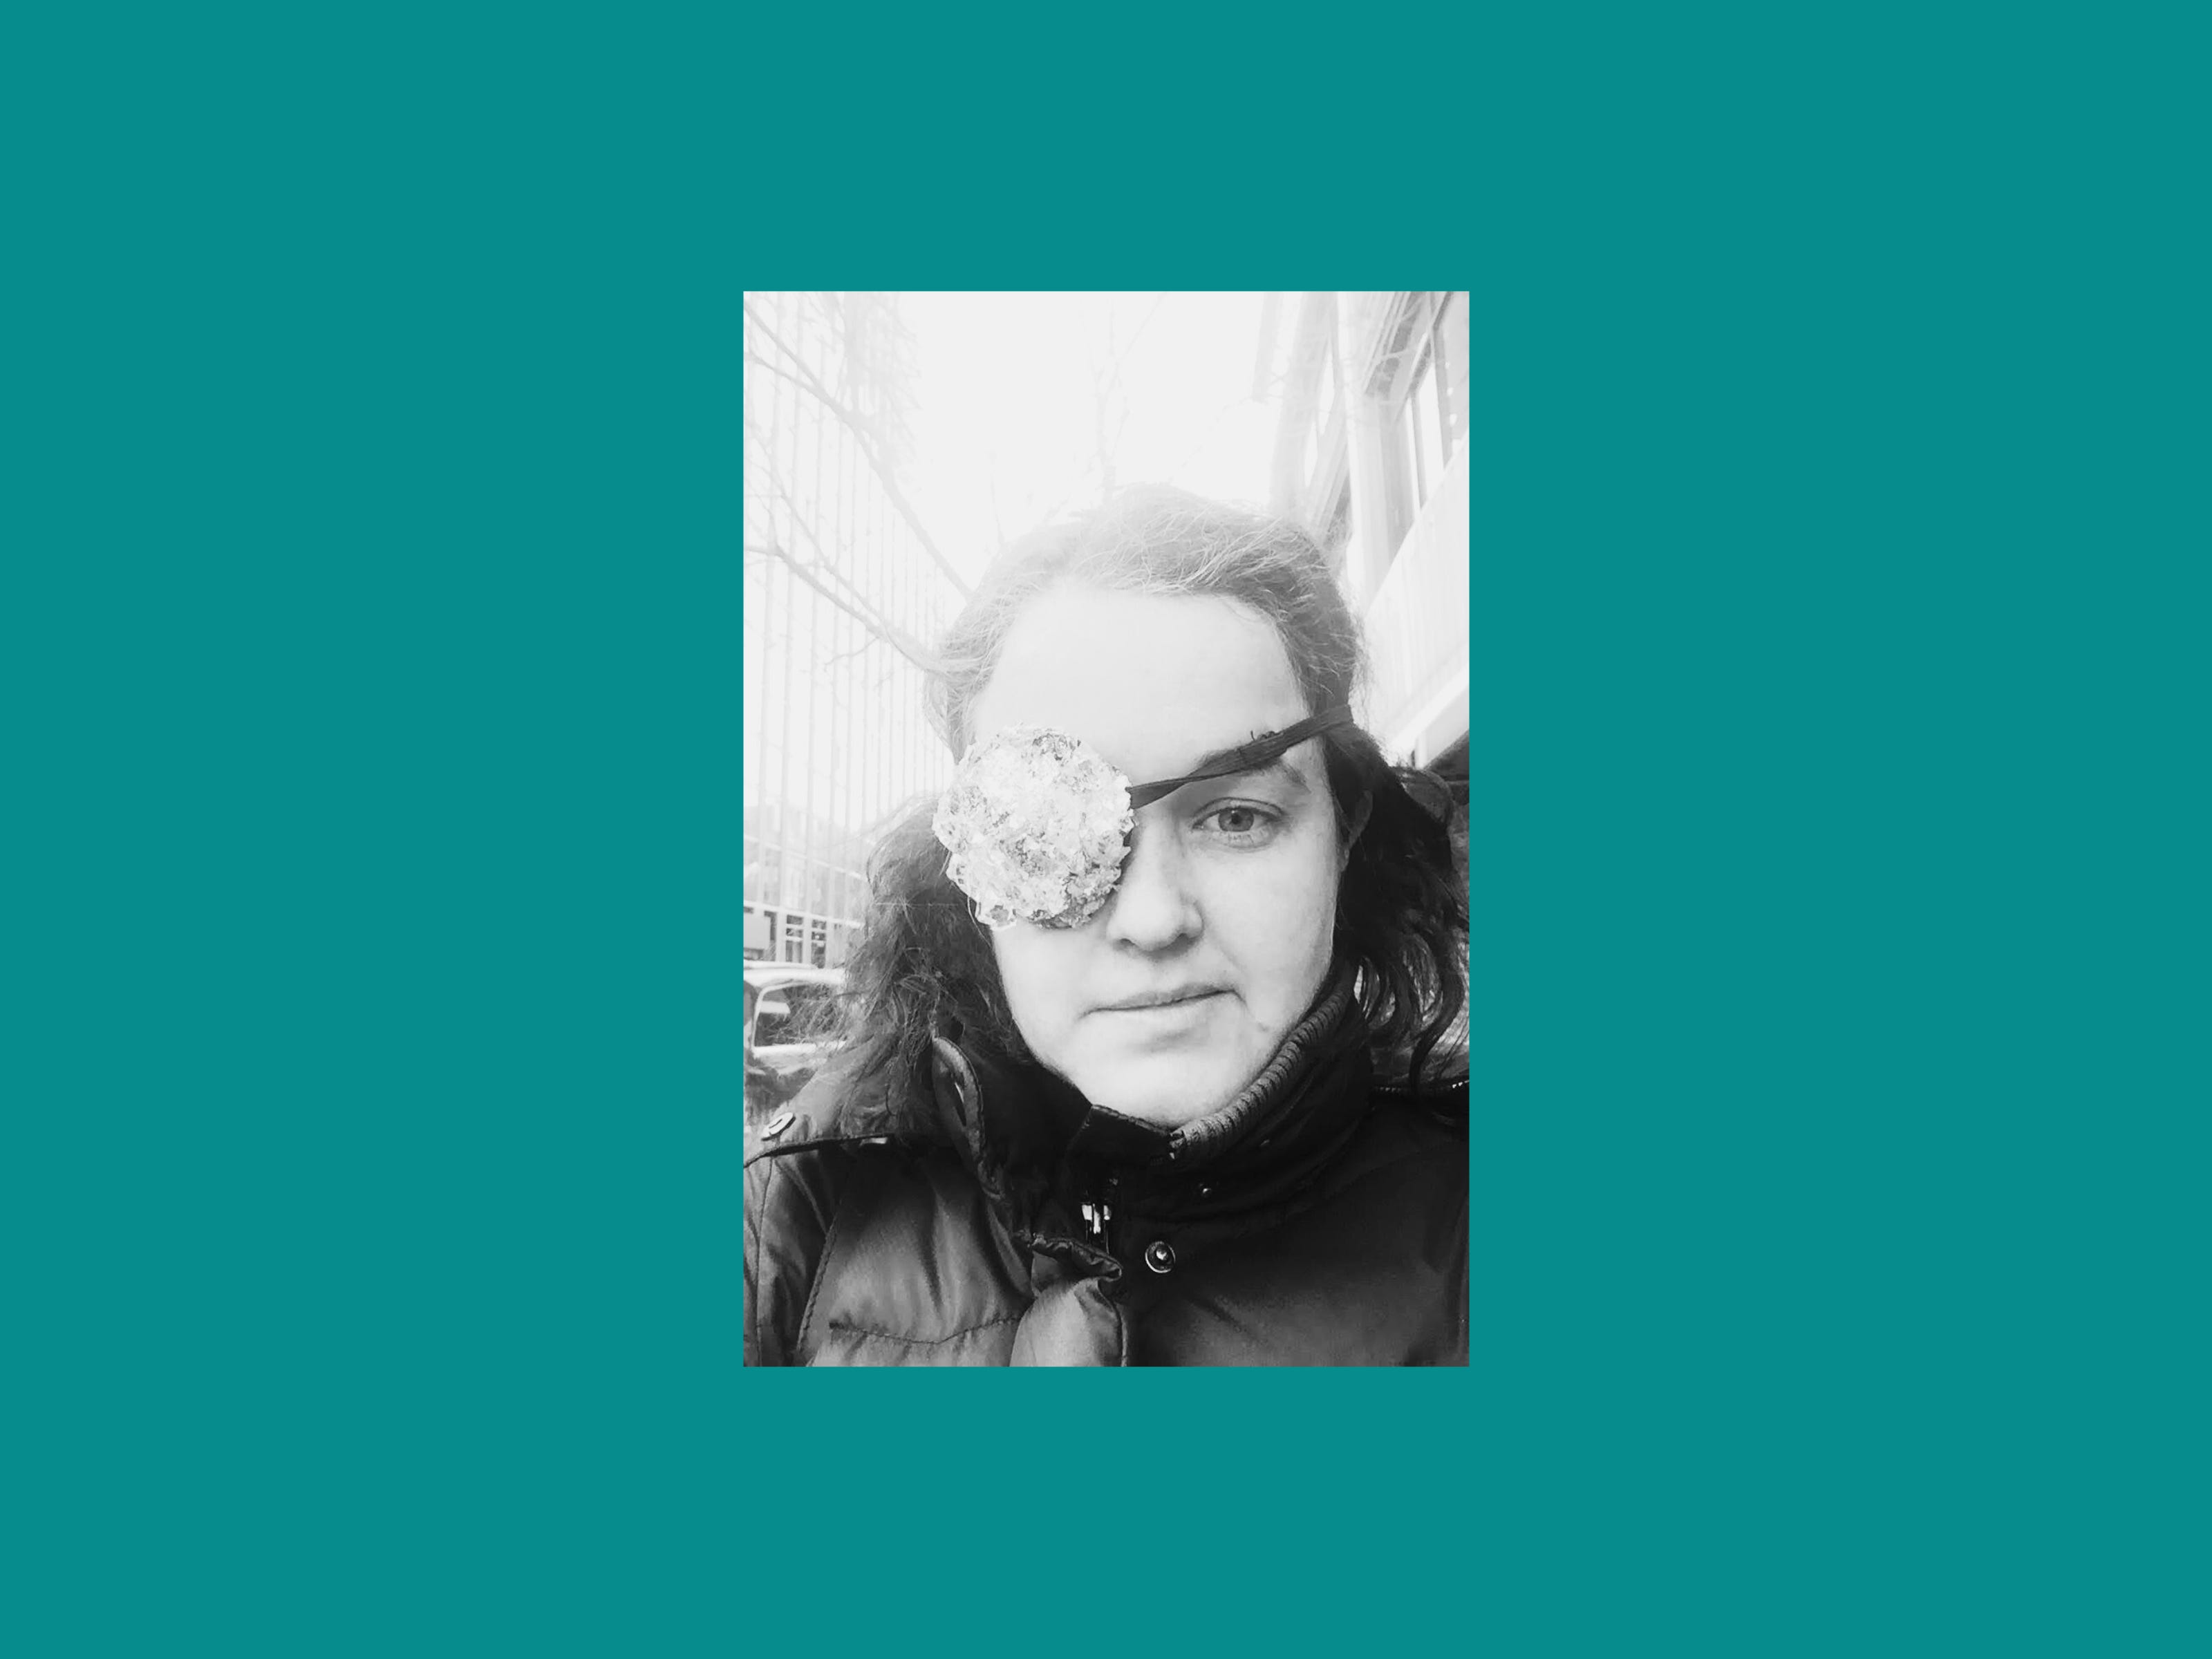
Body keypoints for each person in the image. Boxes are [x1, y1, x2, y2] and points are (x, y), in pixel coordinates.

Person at [744, 487, 1469, 1365]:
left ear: (1343, 833)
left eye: (1236, 817)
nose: (1154, 920)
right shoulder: (794, 1226)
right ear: (967, 866)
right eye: (1046, 828)